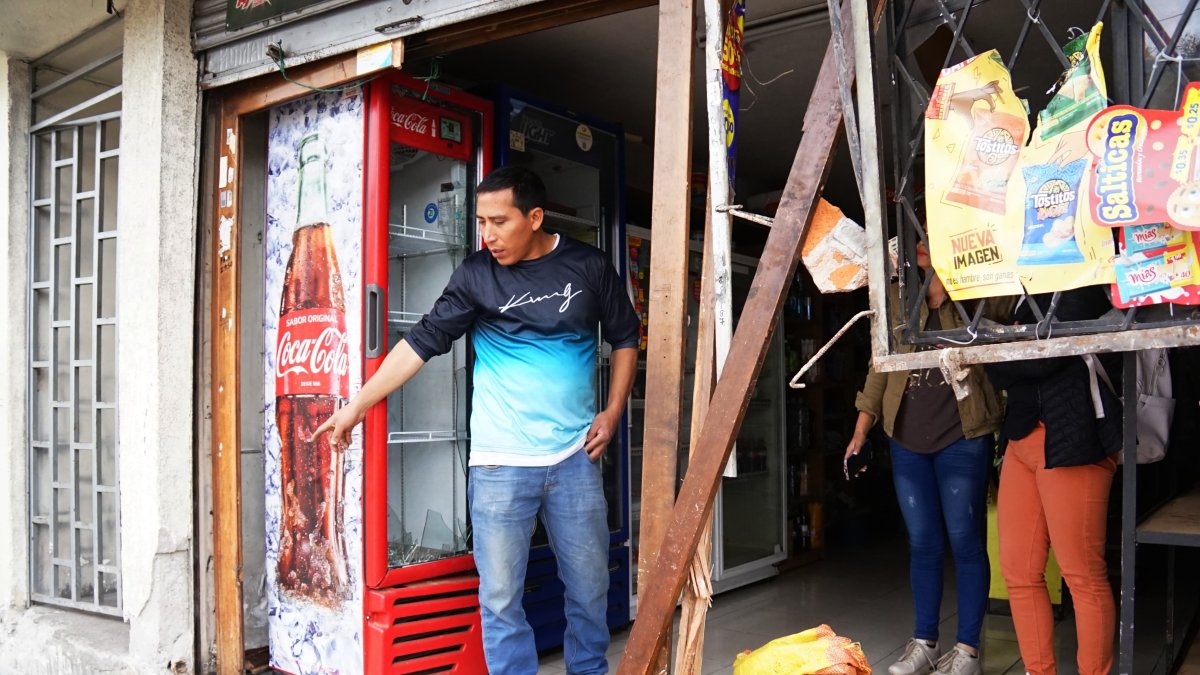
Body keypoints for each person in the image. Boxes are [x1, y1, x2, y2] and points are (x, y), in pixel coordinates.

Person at [312, 166, 640, 675]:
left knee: (590, 588)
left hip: (574, 456)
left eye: (499, 221)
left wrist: (614, 409)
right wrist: (356, 407)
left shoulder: (588, 266)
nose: (487, 235)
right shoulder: (475, 275)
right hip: (498, 465)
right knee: (502, 599)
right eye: (481, 222)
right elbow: (419, 343)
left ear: (534, 217)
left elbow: (625, 337)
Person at [845, 242, 1006, 675]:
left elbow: (1005, 320)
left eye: (928, 234)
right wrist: (861, 430)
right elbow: (880, 367)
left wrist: (951, 282)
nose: (917, 244)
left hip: (963, 436)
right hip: (907, 441)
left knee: (966, 541)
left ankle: (968, 652)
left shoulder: (975, 294)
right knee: (923, 543)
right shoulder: (899, 299)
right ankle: (925, 644)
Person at [985, 287, 1121, 675]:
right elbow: (993, 365)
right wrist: (1017, 343)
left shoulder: (1083, 284)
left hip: (1074, 439)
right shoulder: (1018, 288)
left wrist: (1012, 340)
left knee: (1082, 574)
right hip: (1021, 439)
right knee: (1017, 570)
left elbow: (1044, 358)